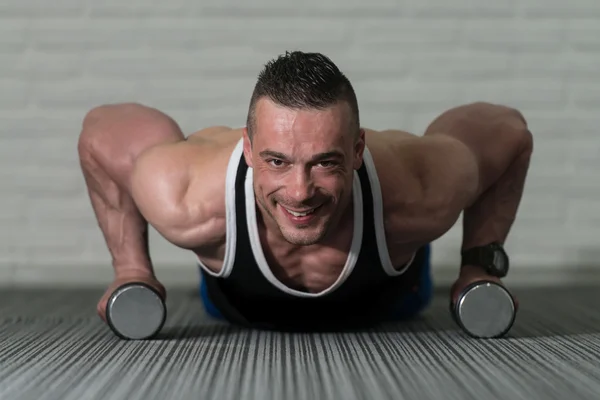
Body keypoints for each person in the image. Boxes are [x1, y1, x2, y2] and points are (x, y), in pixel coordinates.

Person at [77, 51, 532, 331]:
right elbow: (100, 132)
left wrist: (479, 267)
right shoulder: (188, 200)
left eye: (326, 162)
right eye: (277, 161)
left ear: (357, 151)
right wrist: (131, 270)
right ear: (249, 149)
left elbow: (508, 132)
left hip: (392, 298)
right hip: (235, 302)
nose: (300, 192)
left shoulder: (418, 194)